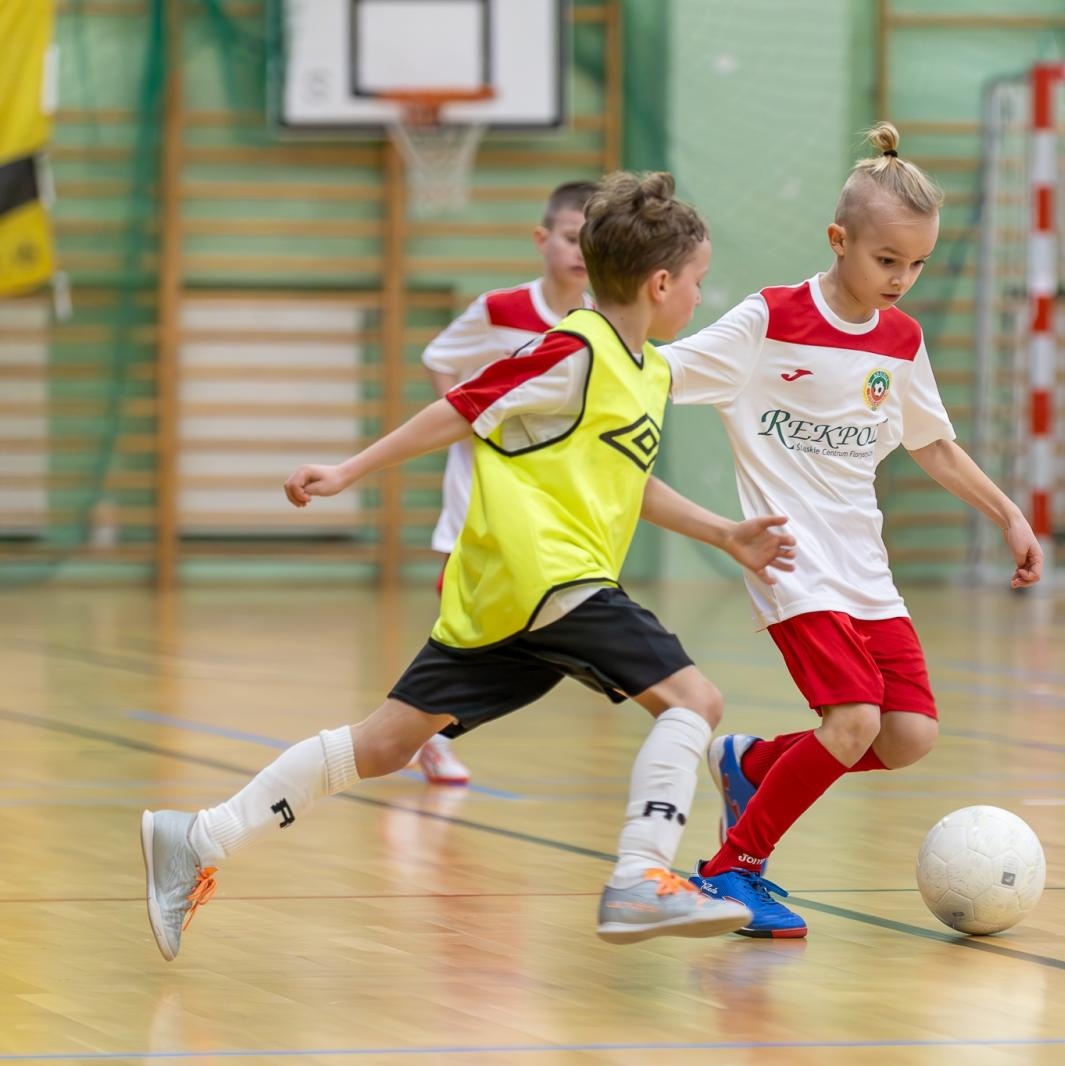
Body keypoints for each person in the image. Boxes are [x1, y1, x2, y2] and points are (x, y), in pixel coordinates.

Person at [139, 172, 796, 960]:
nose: (700, 294)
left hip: (512, 603)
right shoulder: (573, 351)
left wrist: (723, 533)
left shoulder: (646, 370)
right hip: (547, 580)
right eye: (696, 281)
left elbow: (626, 476)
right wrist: (349, 470)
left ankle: (197, 838)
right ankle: (639, 876)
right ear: (660, 284)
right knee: (695, 698)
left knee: (384, 746)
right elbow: (459, 406)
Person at [661, 123, 1043, 938]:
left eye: (917, 265)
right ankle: (733, 867)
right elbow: (660, 371)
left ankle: (752, 764)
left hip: (863, 567)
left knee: (908, 735)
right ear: (840, 240)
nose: (902, 280)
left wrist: (1007, 512)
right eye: (886, 261)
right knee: (854, 722)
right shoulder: (770, 320)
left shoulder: (901, 341)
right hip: (791, 561)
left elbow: (932, 443)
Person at [412, 180, 598, 785]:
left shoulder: (599, 321)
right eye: (570, 237)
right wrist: (466, 416)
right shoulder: (499, 310)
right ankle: (426, 730)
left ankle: (429, 728)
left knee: (521, 637)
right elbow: (440, 356)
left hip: (548, 505)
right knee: (466, 627)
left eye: (591, 240)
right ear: (543, 239)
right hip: (478, 499)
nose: (579, 251)